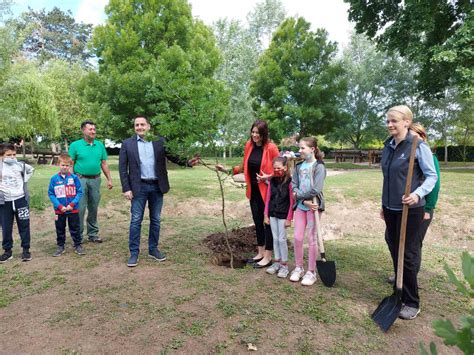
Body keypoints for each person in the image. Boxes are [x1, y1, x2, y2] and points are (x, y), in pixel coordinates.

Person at [381, 105, 437, 320]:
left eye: (394, 120)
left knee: (409, 254)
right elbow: (388, 178)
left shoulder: (417, 145)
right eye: (387, 121)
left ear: (406, 121)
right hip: (390, 207)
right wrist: (383, 204)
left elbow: (431, 176)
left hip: (410, 209)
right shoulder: (388, 146)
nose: (389, 124)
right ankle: (399, 291)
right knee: (395, 248)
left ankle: (412, 302)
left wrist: (417, 193)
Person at [119, 116, 199, 267]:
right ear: (134, 127)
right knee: (136, 220)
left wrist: (187, 162)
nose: (140, 127)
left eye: (142, 124)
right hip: (138, 188)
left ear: (148, 126)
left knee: (155, 219)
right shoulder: (127, 144)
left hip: (157, 186)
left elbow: (173, 156)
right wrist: (126, 188)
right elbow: (123, 168)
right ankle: (134, 253)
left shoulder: (160, 141)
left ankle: (153, 249)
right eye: (137, 125)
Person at [217, 120, 279, 268]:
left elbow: (280, 169)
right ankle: (260, 252)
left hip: (268, 192)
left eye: (257, 132)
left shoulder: (271, 148)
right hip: (254, 191)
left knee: (267, 223)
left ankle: (268, 257)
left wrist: (267, 177)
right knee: (257, 221)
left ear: (264, 133)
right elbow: (244, 165)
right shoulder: (249, 146)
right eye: (253, 132)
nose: (254, 135)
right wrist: (227, 170)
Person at [387, 122, 441, 284]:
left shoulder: (428, 155)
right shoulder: (404, 151)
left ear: (422, 137)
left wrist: (428, 208)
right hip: (403, 206)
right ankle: (400, 274)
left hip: (422, 208)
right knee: (392, 238)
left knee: (412, 246)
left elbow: (434, 184)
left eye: (413, 134)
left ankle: (409, 278)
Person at [69, 120, 113, 244]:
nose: (93, 131)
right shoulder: (75, 145)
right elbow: (70, 164)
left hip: (95, 180)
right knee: (80, 208)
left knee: (93, 207)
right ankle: (78, 236)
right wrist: (72, 181)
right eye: (90, 129)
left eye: (94, 129)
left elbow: (104, 163)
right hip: (80, 180)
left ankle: (93, 234)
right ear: (83, 130)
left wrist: (109, 179)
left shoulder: (99, 145)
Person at [290, 137, 327, 286]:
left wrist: (298, 196)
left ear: (312, 149)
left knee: (312, 239)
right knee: (298, 237)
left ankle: (311, 272)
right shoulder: (298, 167)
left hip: (314, 207)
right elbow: (294, 185)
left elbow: (316, 189)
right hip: (301, 206)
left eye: (302, 148)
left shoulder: (319, 167)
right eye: (299, 148)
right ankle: (298, 268)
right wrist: (301, 198)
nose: (299, 151)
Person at [0, 143, 34, 262]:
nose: (12, 157)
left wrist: (25, 181)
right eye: (9, 155)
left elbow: (31, 170)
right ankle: (7, 251)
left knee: (24, 225)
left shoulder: (20, 165)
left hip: (21, 200)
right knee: (6, 227)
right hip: (5, 203)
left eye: (14, 154)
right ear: (1, 156)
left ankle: (26, 250)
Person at [48, 153, 84, 256]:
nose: (65, 167)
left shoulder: (74, 178)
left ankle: (78, 245)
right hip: (60, 210)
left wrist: (72, 204)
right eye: (63, 165)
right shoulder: (54, 179)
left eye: (67, 165)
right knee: (60, 228)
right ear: (58, 164)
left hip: (73, 209)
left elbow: (79, 192)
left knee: (75, 227)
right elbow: (51, 194)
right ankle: (60, 246)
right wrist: (59, 206)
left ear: (70, 166)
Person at [263, 156, 294, 278]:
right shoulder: (272, 181)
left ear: (285, 168)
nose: (276, 170)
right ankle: (277, 262)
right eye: (274, 168)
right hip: (272, 214)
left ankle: (284, 265)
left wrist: (289, 218)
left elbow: (292, 202)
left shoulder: (290, 182)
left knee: (282, 239)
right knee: (275, 239)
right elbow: (268, 199)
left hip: (283, 215)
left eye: (279, 168)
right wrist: (266, 215)